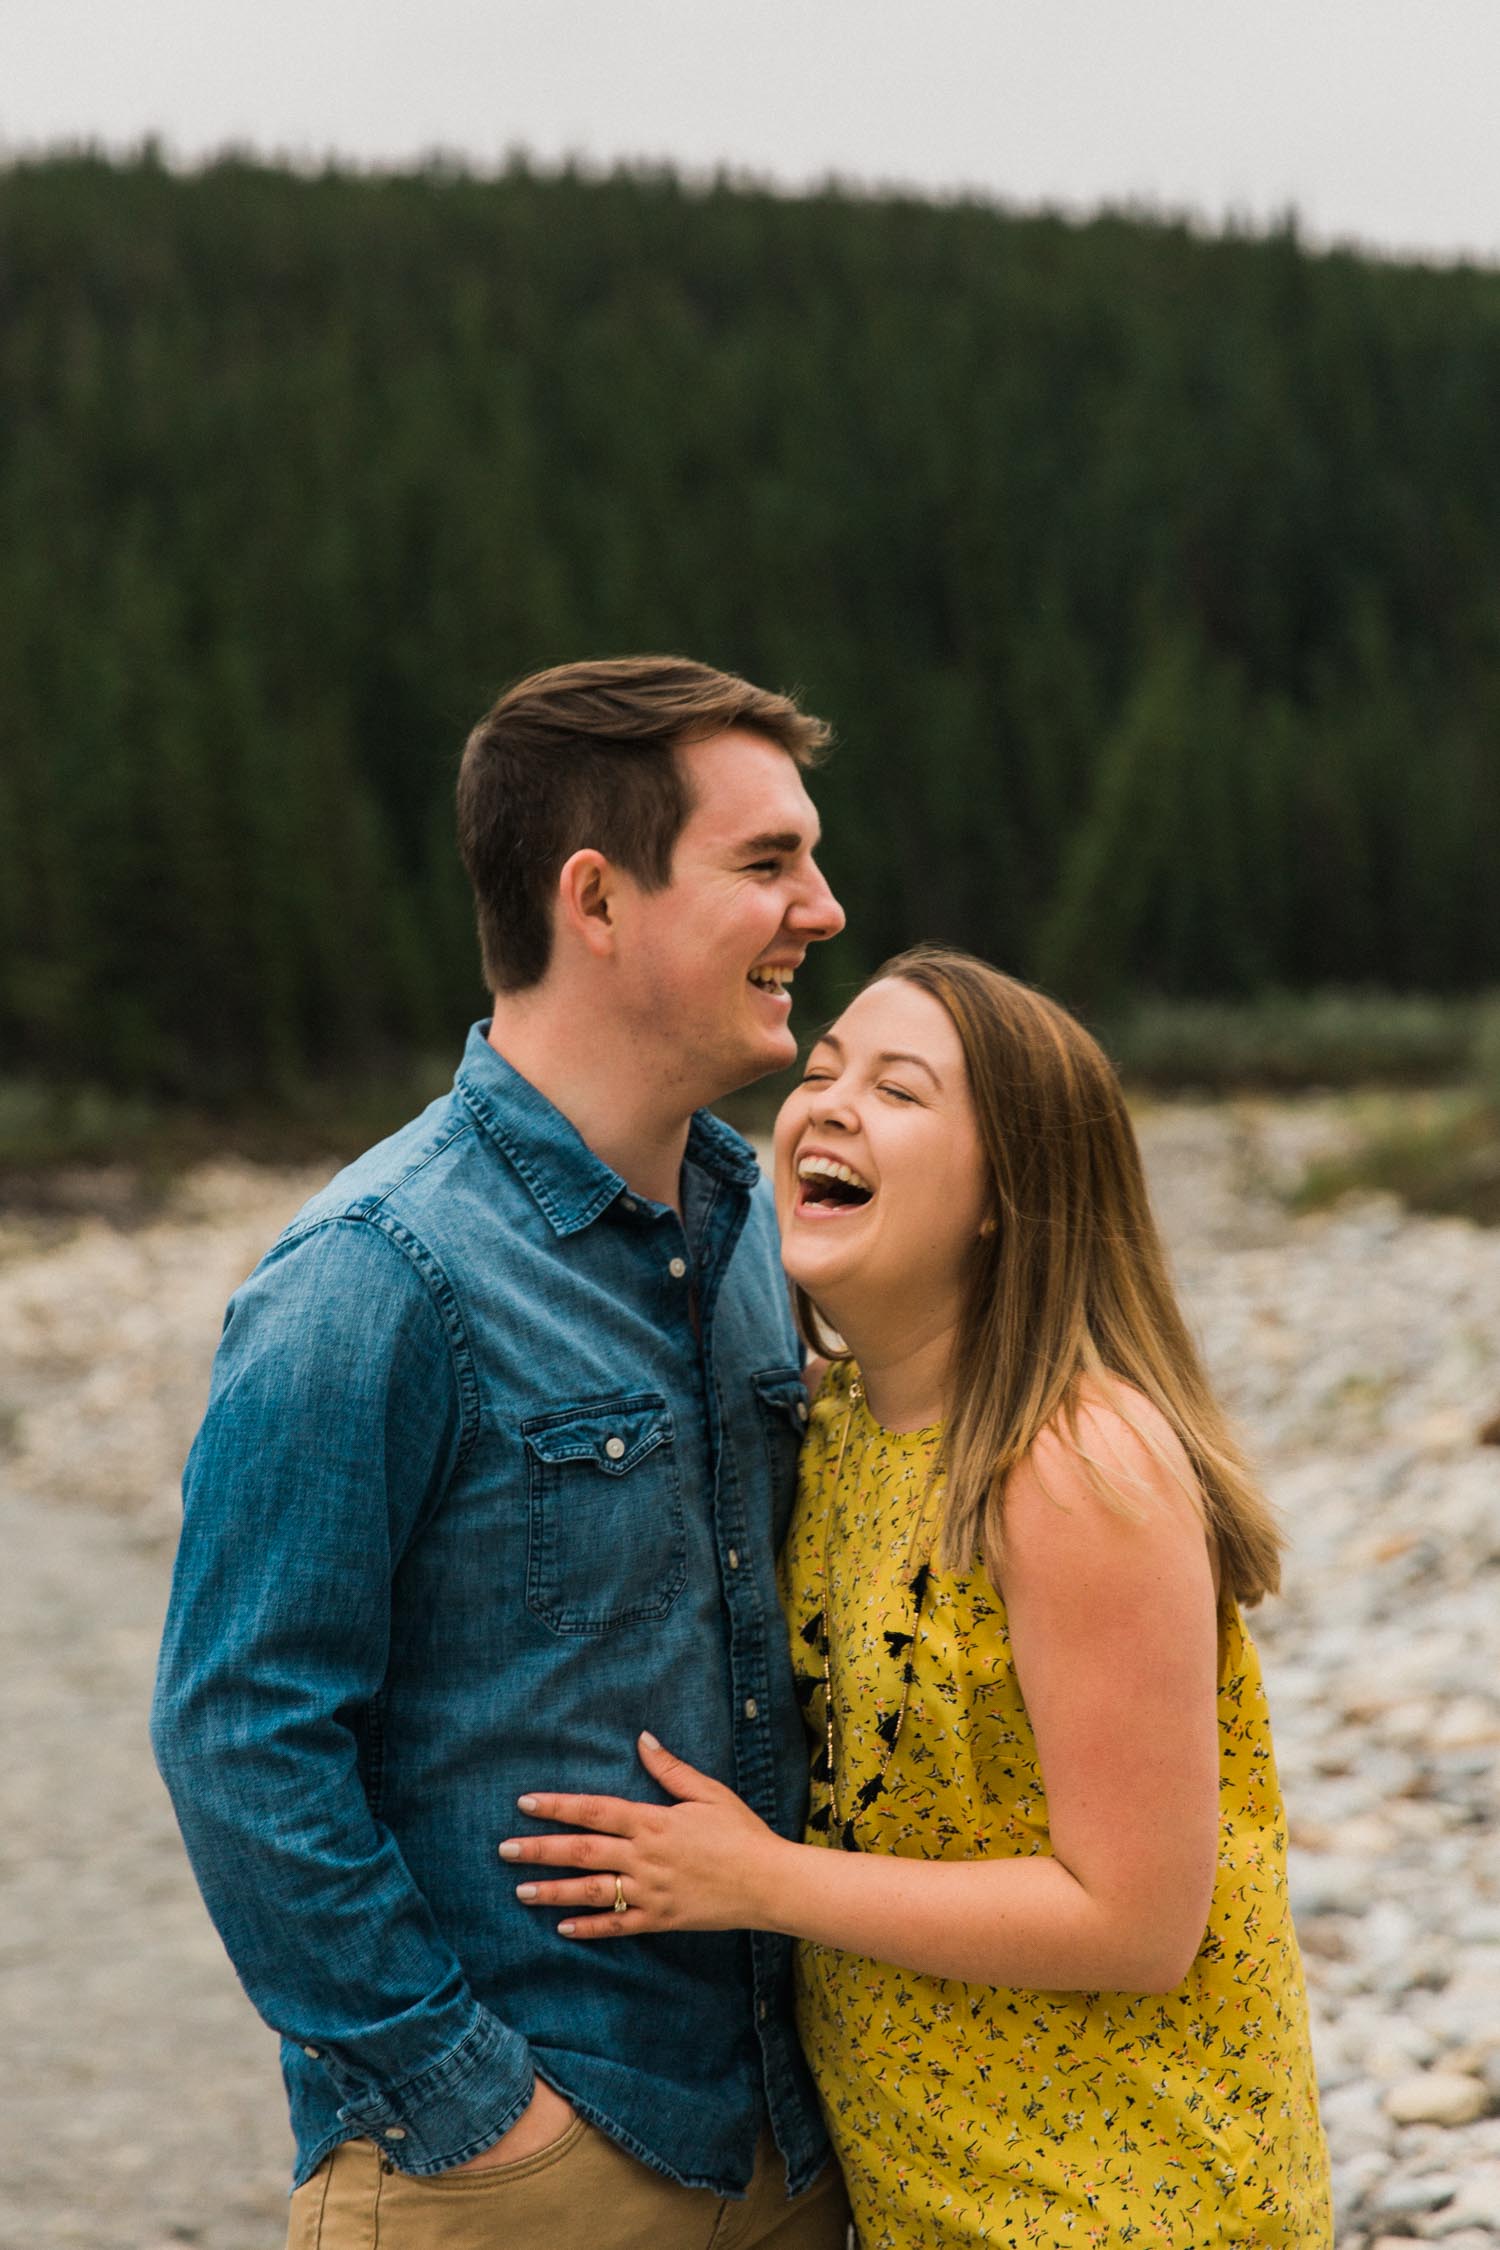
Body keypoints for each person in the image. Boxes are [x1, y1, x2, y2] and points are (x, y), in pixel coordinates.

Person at [150, 656, 853, 2250]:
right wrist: (472, 2112)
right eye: (767, 863)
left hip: (790, 2153)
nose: (822, 905)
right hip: (521, 2171)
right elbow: (240, 1735)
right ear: (594, 899)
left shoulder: (753, 1229)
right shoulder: (370, 1274)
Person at [497, 946, 1335, 2249]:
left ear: (1011, 1190)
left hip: (1123, 2202)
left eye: (898, 1089)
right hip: (928, 2192)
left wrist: (761, 1879)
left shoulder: (1067, 1464)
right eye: (821, 1070)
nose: (826, 1103)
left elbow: (1137, 1917)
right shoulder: (830, 1430)